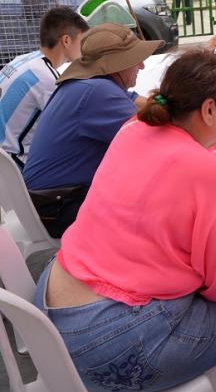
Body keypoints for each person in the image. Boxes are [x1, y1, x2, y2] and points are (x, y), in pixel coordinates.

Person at [33, 50, 216, 392]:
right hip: (105, 341)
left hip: (47, 311)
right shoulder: (208, 173)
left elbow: (188, 154)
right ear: (209, 110)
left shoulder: (133, 129)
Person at [22, 23, 163, 236]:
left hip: (45, 202)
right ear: (117, 64)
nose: (142, 65)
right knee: (160, 205)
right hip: (58, 208)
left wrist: (166, 100)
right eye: (135, 59)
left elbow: (135, 101)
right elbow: (154, 143)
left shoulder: (89, 84)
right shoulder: (98, 92)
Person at [0, 7, 89, 168]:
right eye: (82, 41)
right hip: (11, 166)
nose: (84, 48)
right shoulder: (47, 79)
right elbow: (67, 129)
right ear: (66, 40)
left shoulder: (24, 59)